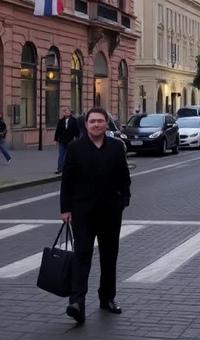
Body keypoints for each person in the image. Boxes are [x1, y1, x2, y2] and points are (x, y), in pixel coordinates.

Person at [59, 106, 131, 324]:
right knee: (82, 256)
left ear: (106, 124)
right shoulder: (75, 147)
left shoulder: (117, 147)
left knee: (109, 257)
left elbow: (124, 178)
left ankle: (107, 298)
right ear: (86, 124)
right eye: (93, 121)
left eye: (100, 121)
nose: (97, 124)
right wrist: (65, 209)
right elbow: (67, 181)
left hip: (111, 212)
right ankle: (77, 303)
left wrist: (123, 201)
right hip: (83, 212)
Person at [53, 106, 80, 174]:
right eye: (63, 111)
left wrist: (78, 139)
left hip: (70, 140)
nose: (65, 112)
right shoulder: (61, 121)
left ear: (69, 111)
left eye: (66, 111)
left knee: (69, 154)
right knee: (61, 154)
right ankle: (60, 168)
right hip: (62, 140)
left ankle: (69, 167)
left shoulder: (74, 120)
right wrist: (56, 140)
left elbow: (77, 130)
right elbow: (58, 131)